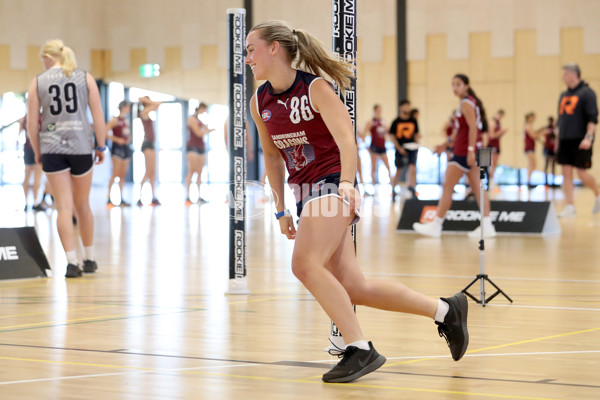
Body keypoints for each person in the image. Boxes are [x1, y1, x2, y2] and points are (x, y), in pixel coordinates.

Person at [246, 20, 469, 384]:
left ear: (274, 48)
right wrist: (281, 208)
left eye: (251, 49)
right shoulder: (260, 102)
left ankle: (359, 347)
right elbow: (272, 158)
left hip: (333, 183)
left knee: (303, 264)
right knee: (354, 286)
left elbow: (347, 140)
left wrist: (347, 184)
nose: (247, 58)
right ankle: (446, 310)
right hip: (305, 194)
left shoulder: (315, 88)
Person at [27, 39, 106, 278]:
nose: (42, 63)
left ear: (48, 58)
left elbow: (32, 124)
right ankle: (90, 258)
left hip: (52, 147)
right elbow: (98, 116)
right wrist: (101, 145)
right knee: (82, 205)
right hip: (81, 146)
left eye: (42, 59)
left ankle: (72, 262)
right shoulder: (85, 77)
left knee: (63, 206)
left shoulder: (38, 82)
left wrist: (38, 150)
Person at [413, 74, 496, 238]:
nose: (455, 88)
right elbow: (460, 131)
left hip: (465, 152)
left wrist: (471, 150)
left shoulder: (466, 103)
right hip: (469, 150)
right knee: (478, 189)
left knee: (448, 187)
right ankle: (487, 226)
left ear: (466, 85)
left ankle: (436, 226)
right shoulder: (468, 103)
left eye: (458, 84)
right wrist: (444, 145)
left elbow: (473, 128)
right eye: (453, 85)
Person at [556, 63, 600, 216]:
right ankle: (570, 207)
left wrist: (589, 137)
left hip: (580, 139)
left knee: (582, 173)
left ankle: (598, 193)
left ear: (574, 74)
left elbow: (592, 118)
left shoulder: (587, 93)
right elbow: (560, 120)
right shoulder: (563, 95)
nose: (563, 77)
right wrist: (557, 140)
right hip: (564, 139)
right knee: (566, 172)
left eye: (565, 74)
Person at [389, 99, 420, 199]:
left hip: (412, 148)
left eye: (408, 106)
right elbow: (392, 136)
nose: (408, 108)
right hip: (400, 148)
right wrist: (399, 147)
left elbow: (415, 134)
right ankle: (393, 189)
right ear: (401, 107)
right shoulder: (396, 121)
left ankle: (412, 188)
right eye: (406, 106)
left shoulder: (413, 120)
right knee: (398, 169)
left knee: (412, 168)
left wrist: (416, 144)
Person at [185, 103, 214, 205]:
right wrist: (207, 131)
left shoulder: (200, 120)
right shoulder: (192, 119)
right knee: (192, 171)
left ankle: (199, 196)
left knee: (200, 173)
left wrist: (207, 130)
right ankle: (187, 197)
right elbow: (198, 133)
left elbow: (203, 131)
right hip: (192, 148)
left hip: (201, 148)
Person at [106, 100, 132, 207]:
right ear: (123, 107)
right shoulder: (115, 119)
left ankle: (121, 198)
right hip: (117, 148)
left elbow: (127, 133)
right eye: (128, 107)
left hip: (125, 148)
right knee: (115, 174)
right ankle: (109, 198)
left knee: (122, 174)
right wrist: (117, 140)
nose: (129, 109)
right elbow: (104, 132)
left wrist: (128, 139)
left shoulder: (126, 120)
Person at [137, 96, 161, 206]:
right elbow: (157, 104)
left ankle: (153, 197)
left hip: (151, 144)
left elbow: (156, 105)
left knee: (152, 173)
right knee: (148, 171)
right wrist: (147, 101)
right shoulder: (144, 112)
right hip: (147, 144)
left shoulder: (147, 112)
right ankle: (140, 197)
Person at [20, 114, 46, 211]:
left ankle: (27, 203)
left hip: (27, 148)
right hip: (37, 149)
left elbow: (19, 133)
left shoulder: (26, 117)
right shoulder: (40, 117)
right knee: (37, 177)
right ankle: (35, 203)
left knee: (27, 176)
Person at [363, 104, 392, 186]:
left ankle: (392, 186)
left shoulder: (383, 121)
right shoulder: (371, 122)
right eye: (377, 110)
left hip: (382, 147)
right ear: (374, 111)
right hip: (374, 147)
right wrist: (366, 146)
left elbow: (388, 132)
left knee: (388, 167)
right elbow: (363, 134)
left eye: (380, 110)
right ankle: (373, 187)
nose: (379, 112)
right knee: (374, 168)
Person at [523, 112, 545, 188]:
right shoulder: (527, 126)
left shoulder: (529, 126)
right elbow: (533, 136)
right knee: (532, 164)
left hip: (531, 147)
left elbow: (535, 134)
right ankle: (528, 181)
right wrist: (541, 133)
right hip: (529, 148)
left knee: (531, 164)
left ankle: (529, 181)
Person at [487, 109, 507, 187]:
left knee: (494, 164)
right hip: (492, 145)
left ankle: (492, 181)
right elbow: (492, 135)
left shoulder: (498, 123)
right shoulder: (492, 122)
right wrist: (500, 132)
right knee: (491, 164)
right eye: (500, 115)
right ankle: (490, 182)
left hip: (497, 145)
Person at [543, 116, 558, 187]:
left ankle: (553, 181)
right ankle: (545, 181)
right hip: (547, 149)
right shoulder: (546, 129)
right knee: (547, 164)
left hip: (553, 149)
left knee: (553, 165)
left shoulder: (555, 129)